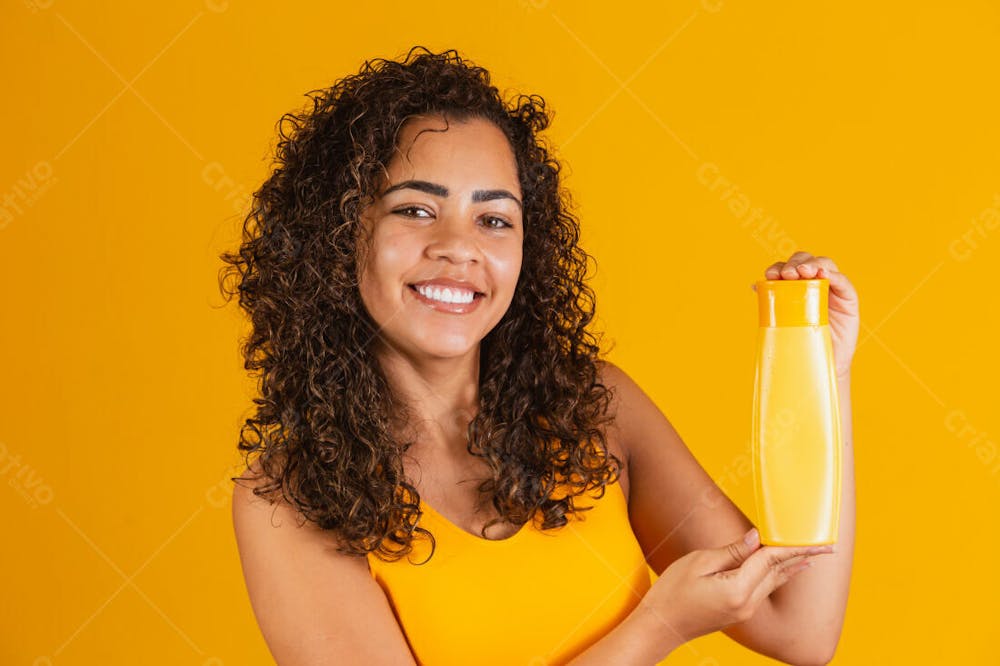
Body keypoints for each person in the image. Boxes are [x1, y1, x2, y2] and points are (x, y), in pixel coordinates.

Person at [221, 46, 858, 665]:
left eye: (494, 219)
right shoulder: (288, 500)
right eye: (415, 209)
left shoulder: (596, 409)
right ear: (340, 232)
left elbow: (800, 628)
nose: (458, 247)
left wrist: (820, 375)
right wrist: (660, 625)